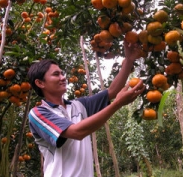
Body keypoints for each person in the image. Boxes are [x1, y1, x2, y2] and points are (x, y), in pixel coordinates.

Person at [27, 41, 145, 177]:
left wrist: (129, 60)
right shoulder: (38, 113)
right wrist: (117, 104)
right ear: (40, 83)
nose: (63, 77)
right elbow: (77, 132)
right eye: (56, 74)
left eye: (62, 73)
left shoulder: (78, 105)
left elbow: (112, 92)